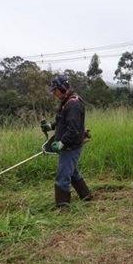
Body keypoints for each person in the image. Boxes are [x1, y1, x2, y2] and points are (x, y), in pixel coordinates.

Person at [41, 75, 92, 207]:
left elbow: (73, 130)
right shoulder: (66, 101)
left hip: (71, 146)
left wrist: (62, 143)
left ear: (63, 88)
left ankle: (62, 207)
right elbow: (62, 120)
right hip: (68, 144)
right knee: (72, 172)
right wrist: (50, 126)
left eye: (55, 90)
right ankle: (86, 196)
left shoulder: (73, 104)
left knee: (62, 177)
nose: (53, 93)